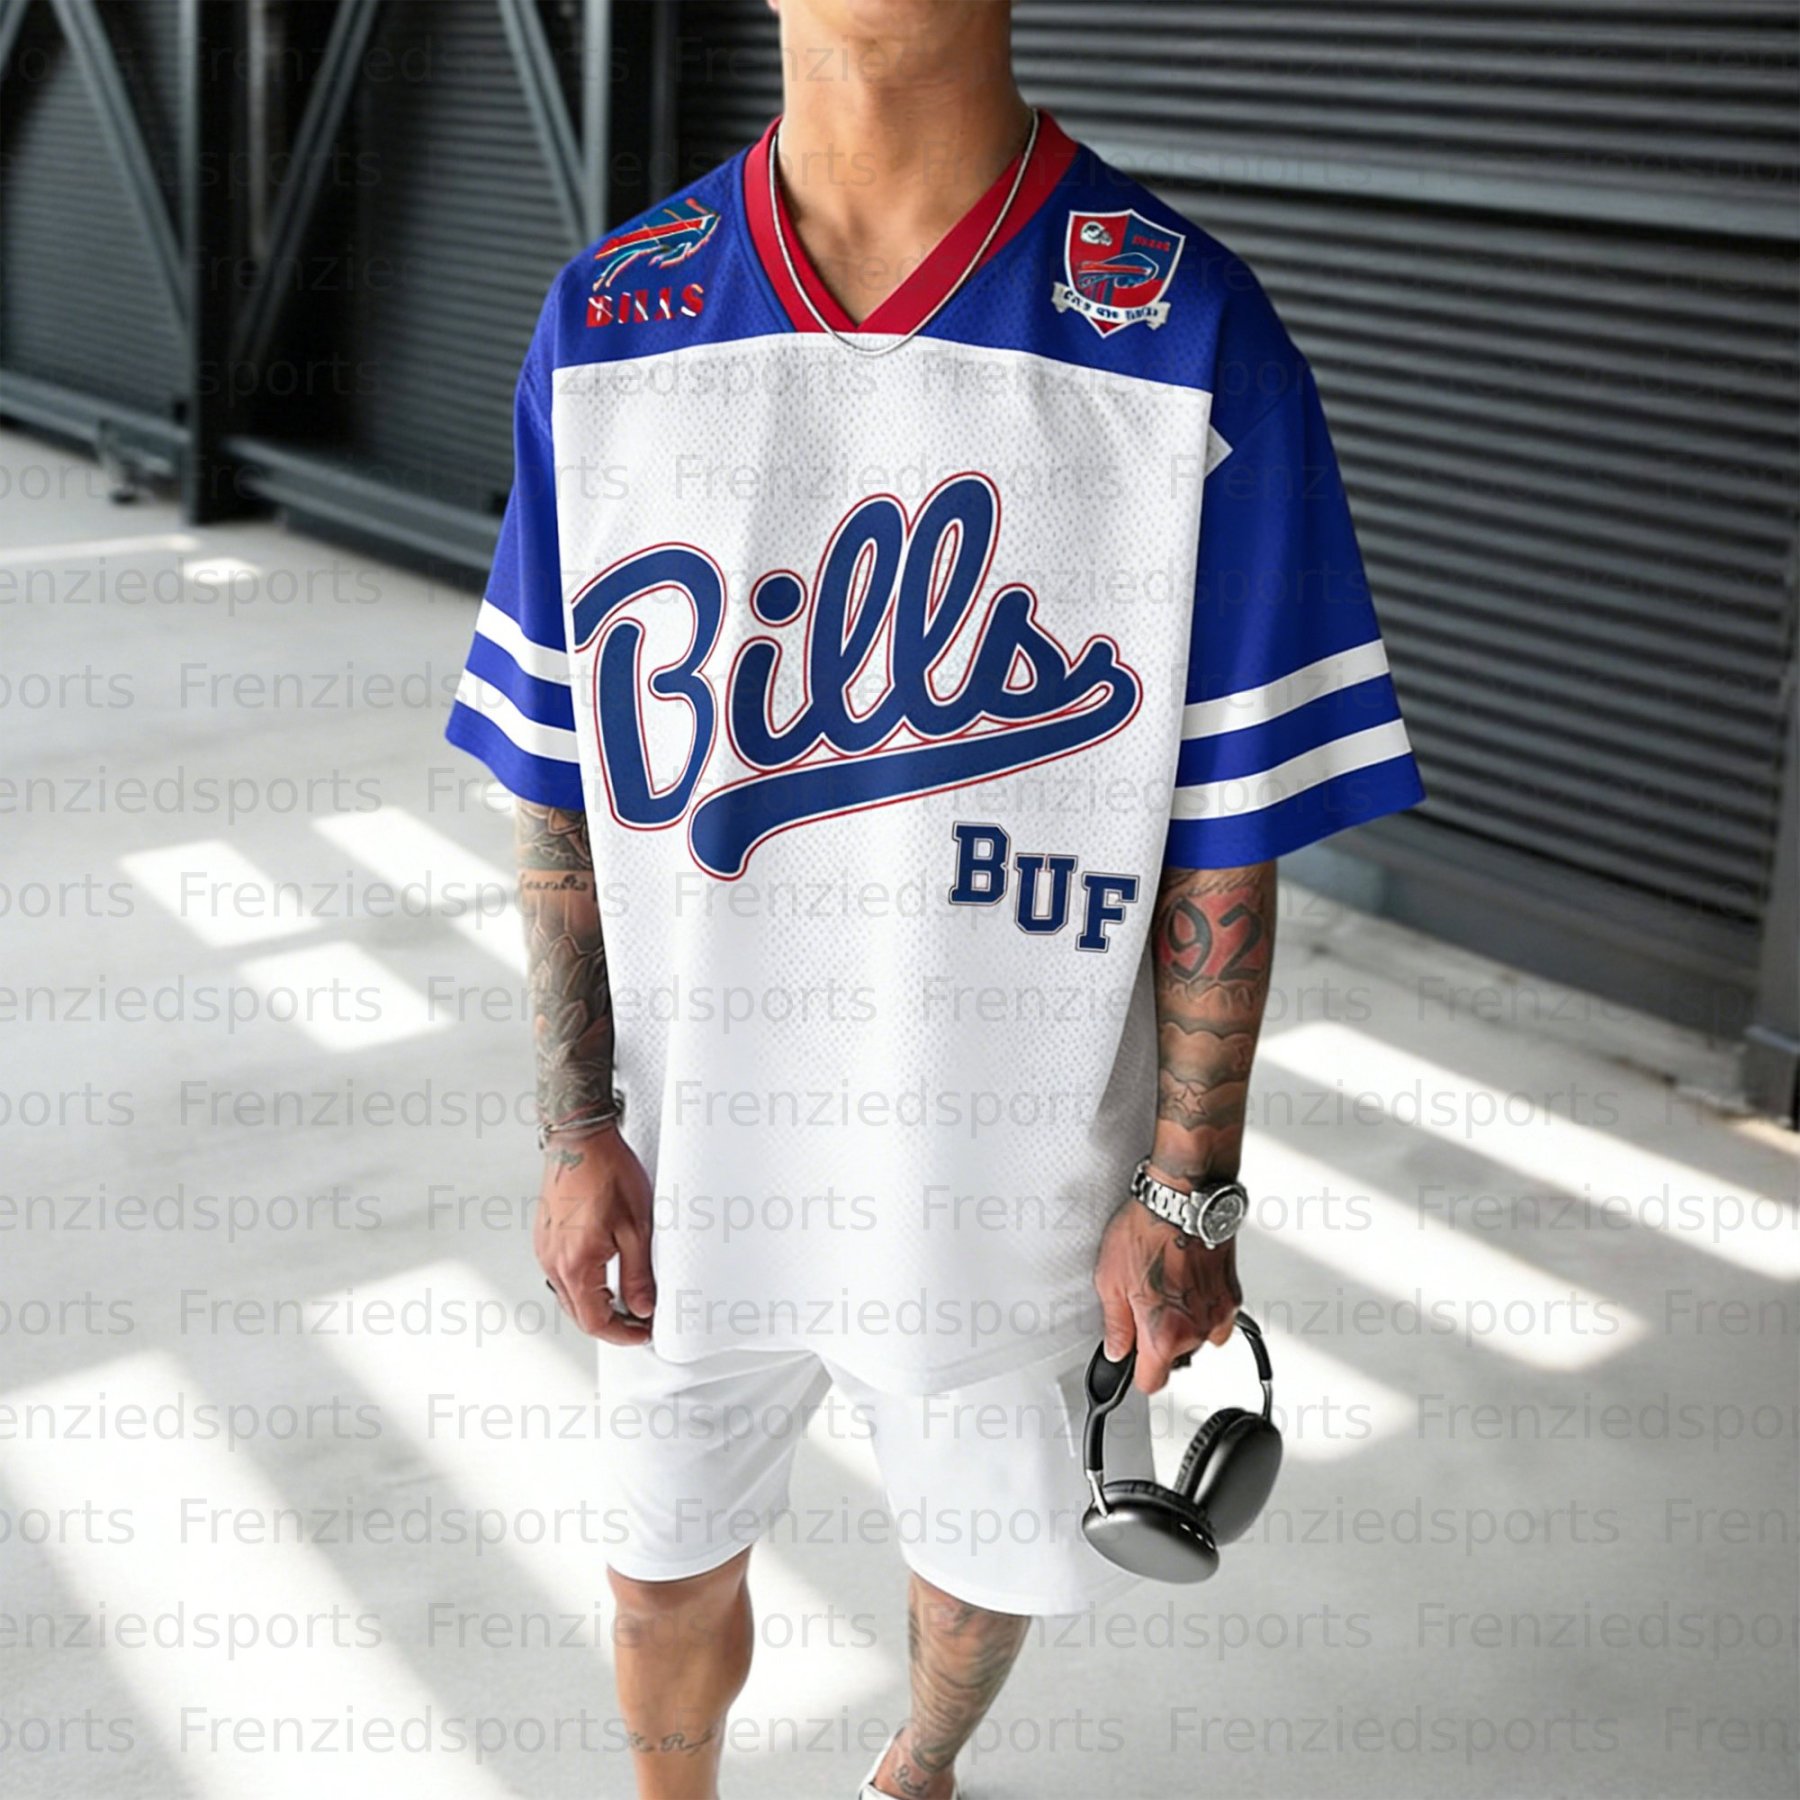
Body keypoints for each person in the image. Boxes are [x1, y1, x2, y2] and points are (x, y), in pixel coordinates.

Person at [444, 3, 1425, 1794]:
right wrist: (577, 1125)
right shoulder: (612, 318)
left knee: (982, 1567)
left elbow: (1227, 821)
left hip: (1012, 1162)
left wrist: (1187, 1182)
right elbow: (557, 774)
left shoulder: (1187, 328)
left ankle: (913, 1779)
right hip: (704, 1151)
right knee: (657, 1567)